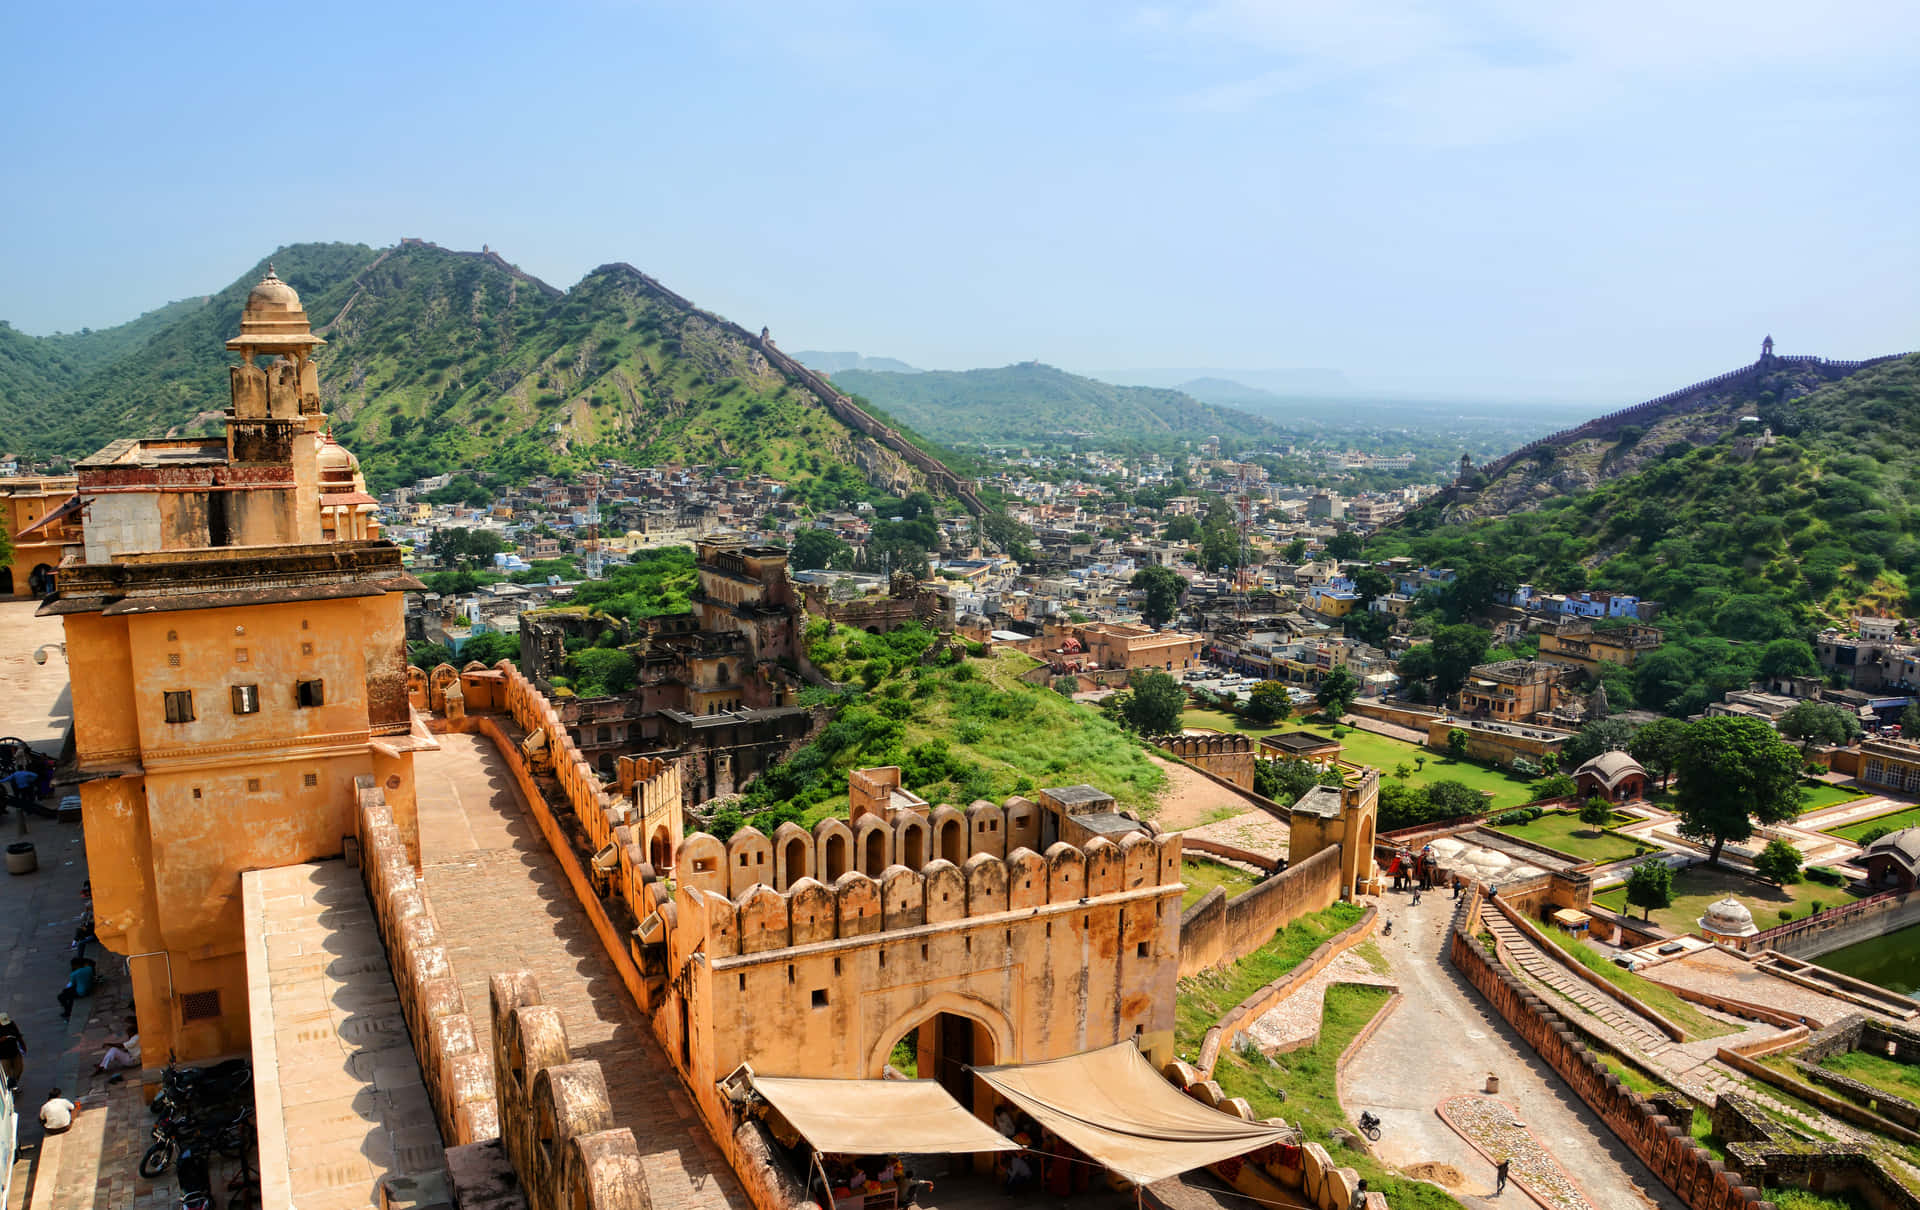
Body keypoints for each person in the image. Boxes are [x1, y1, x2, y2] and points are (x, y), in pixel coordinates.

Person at [58, 955, 96, 1019]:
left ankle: (67, 1012)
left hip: (81, 992)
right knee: (67, 992)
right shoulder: (89, 968)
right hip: (89, 987)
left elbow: (72, 984)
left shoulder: (74, 973)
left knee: (61, 996)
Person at [0, 1014, 24, 1091]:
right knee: (7, 1073)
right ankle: (12, 1087)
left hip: (15, 1051)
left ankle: (14, 1083)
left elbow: (18, 1035)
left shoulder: (11, 1024)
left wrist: (23, 1045)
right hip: (3, 1055)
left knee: (19, 1069)